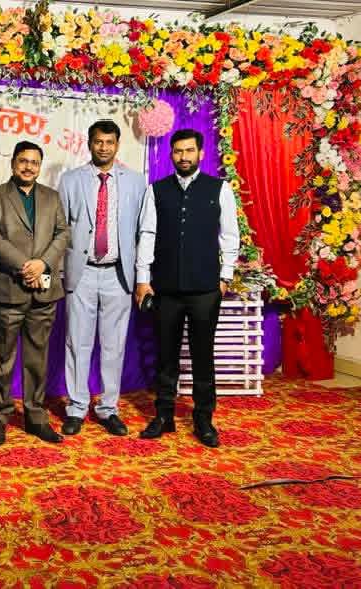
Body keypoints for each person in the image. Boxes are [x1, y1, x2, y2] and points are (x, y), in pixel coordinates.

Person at [138, 128, 240, 448]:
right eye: (178, 151)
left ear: (200, 154)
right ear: (171, 154)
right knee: (165, 355)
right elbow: (147, 235)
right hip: (165, 289)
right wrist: (143, 279)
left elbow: (230, 236)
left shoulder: (219, 189)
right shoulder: (156, 190)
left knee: (202, 355)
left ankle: (203, 419)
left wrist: (224, 278)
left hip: (205, 290)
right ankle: (164, 415)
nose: (183, 157)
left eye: (189, 151)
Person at [57, 120, 151, 437]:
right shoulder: (70, 180)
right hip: (81, 273)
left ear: (117, 145)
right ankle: (76, 407)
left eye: (109, 142)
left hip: (118, 273)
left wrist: (142, 276)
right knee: (77, 343)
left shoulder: (136, 182)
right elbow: (61, 229)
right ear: (89, 144)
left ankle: (108, 408)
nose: (104, 147)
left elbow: (142, 231)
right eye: (98, 142)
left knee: (114, 346)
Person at [0, 141, 70, 446]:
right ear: (13, 163)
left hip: (44, 292)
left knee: (37, 358)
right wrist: (25, 266)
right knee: (1, 359)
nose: (28, 166)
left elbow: (63, 233)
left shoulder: (52, 197)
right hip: (8, 289)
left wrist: (43, 264)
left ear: (40, 166)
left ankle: (36, 416)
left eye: (34, 162)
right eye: (23, 161)